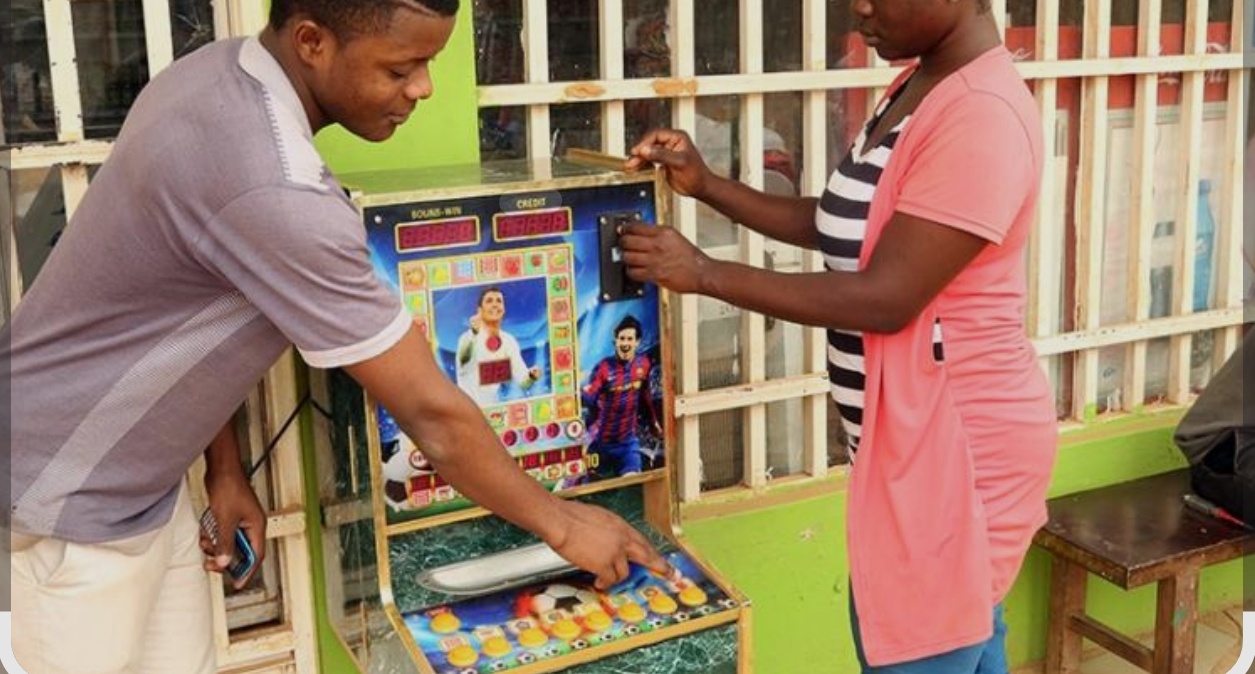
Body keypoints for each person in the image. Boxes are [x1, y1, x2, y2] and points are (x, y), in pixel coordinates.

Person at [2, 2, 668, 673]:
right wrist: (564, 523)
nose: (423, 89)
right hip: (68, 494)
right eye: (401, 67)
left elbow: (178, 303)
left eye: (429, 65)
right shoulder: (277, 187)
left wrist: (224, 469)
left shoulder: (213, 74)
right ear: (312, 41)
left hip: (145, 482)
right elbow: (432, 417)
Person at [620, 0, 1057, 671]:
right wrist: (707, 186)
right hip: (911, 443)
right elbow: (840, 223)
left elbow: (885, 298)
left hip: (958, 451)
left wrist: (702, 272)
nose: (856, 9)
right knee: (958, 641)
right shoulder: (916, 87)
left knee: (916, 648)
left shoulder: (981, 115)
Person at [581, 315, 662, 477]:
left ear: (637, 342)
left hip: (627, 444)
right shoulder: (604, 368)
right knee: (592, 488)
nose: (625, 343)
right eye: (622, 339)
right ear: (615, 341)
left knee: (632, 480)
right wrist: (578, 393)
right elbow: (589, 399)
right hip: (601, 445)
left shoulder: (643, 364)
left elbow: (645, 396)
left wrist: (654, 423)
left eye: (629, 339)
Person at [455, 285, 541, 404]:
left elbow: (522, 382)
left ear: (504, 309)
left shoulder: (509, 341)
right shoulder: (467, 338)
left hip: (492, 410)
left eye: (499, 301)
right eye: (489, 301)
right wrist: (474, 334)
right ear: (479, 310)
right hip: (468, 410)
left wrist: (531, 377)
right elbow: (464, 357)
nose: (495, 305)